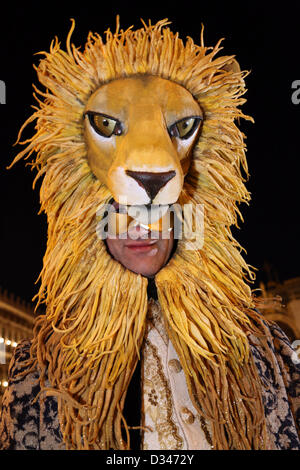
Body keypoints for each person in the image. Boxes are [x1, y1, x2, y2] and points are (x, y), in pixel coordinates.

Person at [0, 18, 299, 450]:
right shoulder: (37, 370)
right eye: (119, 211)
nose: (143, 226)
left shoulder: (269, 352)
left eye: (161, 210)